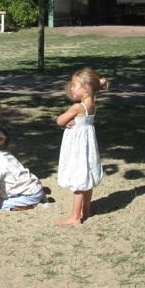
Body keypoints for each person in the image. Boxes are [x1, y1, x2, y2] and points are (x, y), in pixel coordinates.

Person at [56, 67, 108, 225]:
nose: (71, 88)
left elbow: (59, 121)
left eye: (74, 85)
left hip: (77, 147)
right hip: (87, 145)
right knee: (86, 177)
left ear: (85, 88)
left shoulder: (77, 107)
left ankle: (75, 216)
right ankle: (86, 210)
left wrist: (65, 121)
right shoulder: (92, 103)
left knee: (78, 180)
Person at [0, 128, 45, 215]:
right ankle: (35, 199)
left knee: (2, 203)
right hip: (36, 188)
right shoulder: (8, 154)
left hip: (29, 196)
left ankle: (31, 205)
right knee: (2, 198)